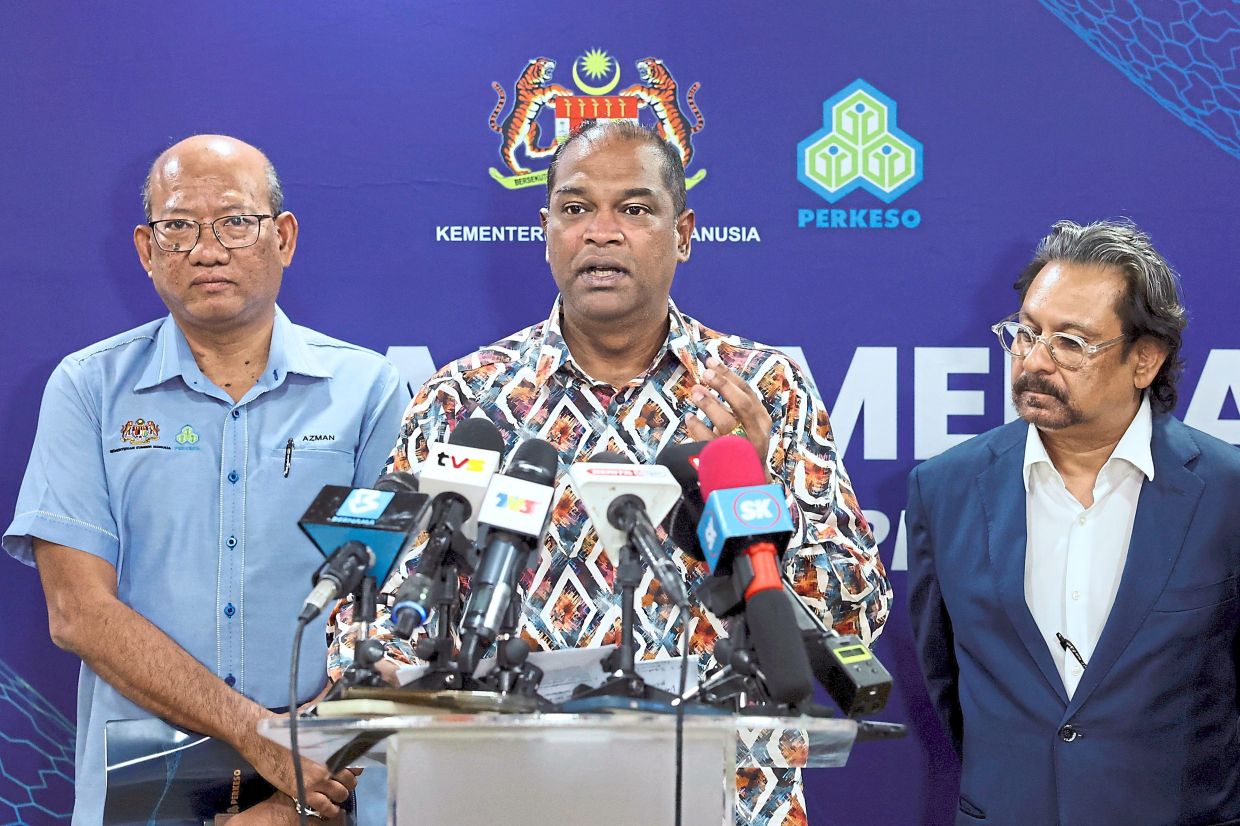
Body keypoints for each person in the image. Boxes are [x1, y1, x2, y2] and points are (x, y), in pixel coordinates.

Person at [329, 120, 891, 826]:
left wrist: (765, 488)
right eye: (575, 208)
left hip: (726, 794)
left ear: (682, 232)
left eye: (633, 208)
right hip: (510, 794)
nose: (601, 232)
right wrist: (375, 663)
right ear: (544, 231)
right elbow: (372, 604)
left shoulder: (762, 390)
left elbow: (854, 614)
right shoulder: (463, 400)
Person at [3, 135, 405, 824]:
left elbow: (395, 618)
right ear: (146, 249)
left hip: (320, 788)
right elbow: (77, 613)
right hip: (143, 784)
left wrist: (288, 802)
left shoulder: (366, 392)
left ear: (283, 237)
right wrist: (259, 738)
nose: (208, 249)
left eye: (235, 223)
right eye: (179, 226)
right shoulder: (89, 389)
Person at [907, 219, 1240, 825]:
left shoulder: (1227, 492)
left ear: (1146, 360)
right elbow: (946, 682)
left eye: (1071, 342)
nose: (1034, 361)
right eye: (1027, 332)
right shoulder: (945, 488)